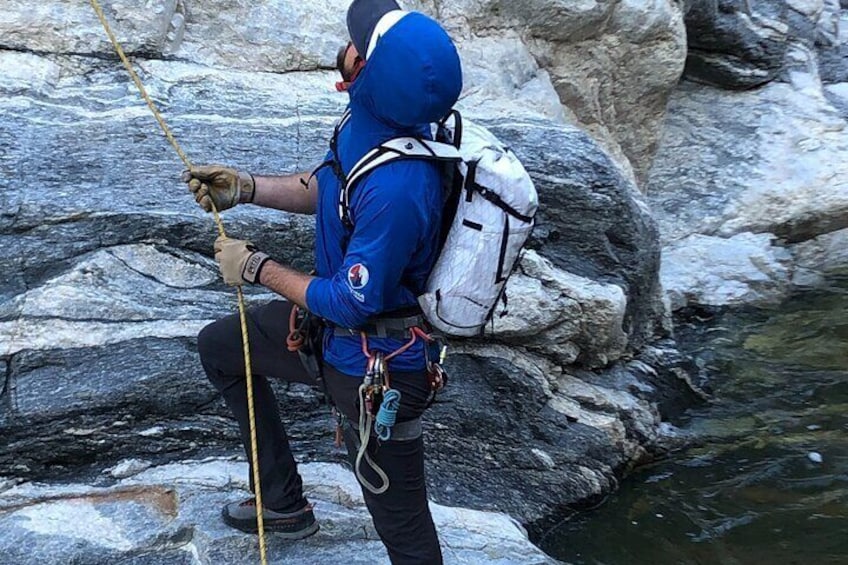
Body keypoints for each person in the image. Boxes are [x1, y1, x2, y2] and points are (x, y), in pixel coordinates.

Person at [183, 1, 462, 563]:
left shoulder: (400, 189)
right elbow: (329, 187)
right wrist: (246, 188)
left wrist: (257, 267)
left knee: (406, 535)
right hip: (329, 337)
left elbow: (352, 303)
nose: (349, 44)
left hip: (379, 368)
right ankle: (282, 503)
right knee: (221, 347)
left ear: (368, 75)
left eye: (360, 45)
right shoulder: (375, 123)